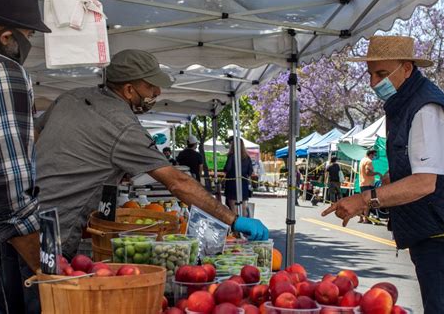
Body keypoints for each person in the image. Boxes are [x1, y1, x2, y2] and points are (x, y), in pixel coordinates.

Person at [35, 50, 269, 260]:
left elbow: (34, 134)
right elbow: (177, 182)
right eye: (150, 86)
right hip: (54, 232)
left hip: (23, 215)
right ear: (128, 89)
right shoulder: (122, 125)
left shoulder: (71, 96)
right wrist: (233, 219)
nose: (158, 92)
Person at [322, 36, 444, 313]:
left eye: (381, 73)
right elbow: (418, 165)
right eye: (370, 74)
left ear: (407, 68)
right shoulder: (406, 103)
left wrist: (365, 199)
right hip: (430, 232)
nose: (373, 83)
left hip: (441, 235)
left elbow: (425, 182)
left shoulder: (426, 108)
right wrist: (392, 180)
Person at [0, 0, 51, 313]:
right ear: (7, 36)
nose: (29, 44)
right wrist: (49, 271)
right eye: (29, 35)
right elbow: (10, 198)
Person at [223, 137, 253, 216]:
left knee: (233, 208)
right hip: (243, 183)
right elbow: (250, 171)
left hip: (232, 184)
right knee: (243, 208)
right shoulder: (247, 157)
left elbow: (227, 168)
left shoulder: (232, 156)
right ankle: (244, 226)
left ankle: (236, 226)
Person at [358, 150, 381, 223]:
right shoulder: (369, 161)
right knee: (368, 202)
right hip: (368, 184)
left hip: (362, 183)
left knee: (363, 202)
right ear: (370, 154)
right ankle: (366, 219)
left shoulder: (362, 160)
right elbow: (368, 173)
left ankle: (361, 218)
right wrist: (377, 173)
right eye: (374, 155)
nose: (374, 157)